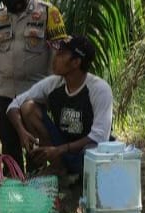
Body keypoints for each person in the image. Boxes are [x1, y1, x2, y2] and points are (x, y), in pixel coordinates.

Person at [0, 0, 67, 169]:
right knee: (9, 147)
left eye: (14, 1)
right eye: (6, 2)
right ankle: (12, 190)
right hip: (5, 93)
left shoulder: (48, 14)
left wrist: (55, 93)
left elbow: (59, 56)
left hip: (34, 95)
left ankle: (36, 186)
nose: (10, 6)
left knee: (36, 146)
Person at [8, 35, 113, 177]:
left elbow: (99, 136)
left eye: (61, 54)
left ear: (76, 62)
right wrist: (22, 132)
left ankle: (82, 177)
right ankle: (58, 168)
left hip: (87, 153)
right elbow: (14, 105)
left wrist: (60, 149)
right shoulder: (53, 83)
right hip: (60, 147)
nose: (55, 58)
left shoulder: (99, 89)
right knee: (28, 107)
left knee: (93, 154)